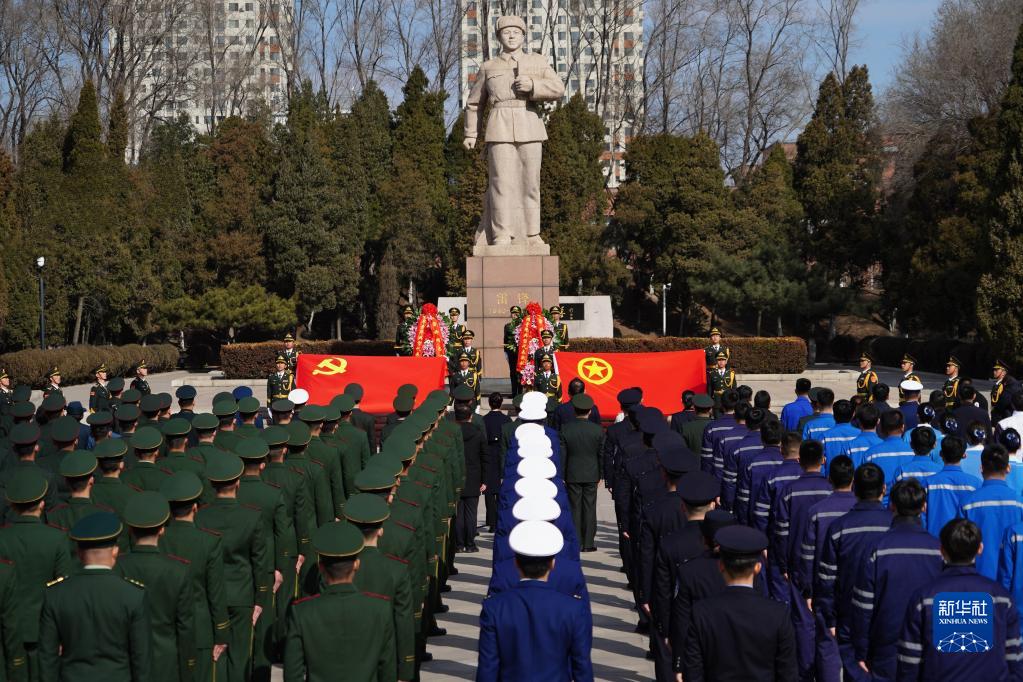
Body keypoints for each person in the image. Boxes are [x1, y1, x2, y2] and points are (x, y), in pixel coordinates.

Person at [462, 15, 566, 247]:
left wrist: (534, 86)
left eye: (516, 32)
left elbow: (559, 88)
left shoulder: (537, 62)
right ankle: (501, 234)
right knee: (501, 183)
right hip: (499, 126)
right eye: (506, 32)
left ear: (523, 35)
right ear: (499, 36)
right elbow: (474, 103)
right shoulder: (489, 67)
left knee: (531, 183)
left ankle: (532, 234)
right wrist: (471, 133)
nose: (511, 35)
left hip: (530, 124)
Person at [898, 518, 1022, 680]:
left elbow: (909, 662)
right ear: (980, 548)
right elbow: (1014, 659)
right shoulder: (1001, 598)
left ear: (942, 550)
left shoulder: (925, 598)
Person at [39, 512, 150, 681]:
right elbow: (141, 660)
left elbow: (47, 658)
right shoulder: (133, 595)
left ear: (79, 552)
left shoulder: (55, 594)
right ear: (115, 551)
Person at [476, 520, 593, 681]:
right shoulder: (572, 609)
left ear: (516, 563)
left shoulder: (494, 608)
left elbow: (487, 669)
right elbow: (582, 667)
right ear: (552, 563)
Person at [850, 478, 943, 680]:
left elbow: (863, 605)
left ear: (892, 505)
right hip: (928, 645)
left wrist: (861, 647)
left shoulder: (877, 548)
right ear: (924, 507)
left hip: (885, 644)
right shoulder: (938, 550)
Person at [284, 521, 396, 681]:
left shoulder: (302, 612)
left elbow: (292, 674)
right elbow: (387, 671)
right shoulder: (380, 609)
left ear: (321, 567)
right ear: (356, 564)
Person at [683, 525, 797, 681]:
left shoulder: (702, 612)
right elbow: (788, 674)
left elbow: (693, 673)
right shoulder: (778, 614)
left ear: (721, 566)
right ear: (757, 568)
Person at [196, 453, 272, 682]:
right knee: (240, 657)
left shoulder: (201, 517)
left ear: (212, 484)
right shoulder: (251, 517)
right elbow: (260, 562)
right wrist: (260, 599)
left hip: (209, 596)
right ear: (237, 483)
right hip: (242, 594)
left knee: (215, 656)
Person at [815, 462, 890, 680]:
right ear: (883, 489)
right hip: (886, 617)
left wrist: (830, 620)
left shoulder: (839, 528)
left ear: (854, 488)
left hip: (848, 616)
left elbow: (826, 579)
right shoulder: (893, 526)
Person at [117, 492, 196, 682]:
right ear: (162, 530)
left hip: (126, 661)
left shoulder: (117, 567)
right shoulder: (178, 570)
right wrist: (189, 668)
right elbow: (185, 627)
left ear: (129, 530)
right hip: (166, 662)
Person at [160, 472, 231, 682]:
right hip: (199, 630)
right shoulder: (208, 542)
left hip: (164, 631)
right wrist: (221, 632)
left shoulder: (158, 540)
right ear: (195, 507)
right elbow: (215, 591)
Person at [344, 494, 415, 682]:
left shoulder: (337, 570)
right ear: (381, 531)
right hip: (386, 660)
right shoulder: (397, 570)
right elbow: (403, 621)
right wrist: (406, 669)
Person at [959, 443, 1023, 579]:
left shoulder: (968, 503)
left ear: (981, 468)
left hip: (977, 577)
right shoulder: (1019, 502)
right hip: (1013, 579)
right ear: (1008, 468)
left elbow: (960, 544)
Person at [559, 394, 604, 552]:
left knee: (574, 507)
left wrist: (562, 475)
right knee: (590, 507)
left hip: (572, 473)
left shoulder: (566, 429)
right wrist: (601, 474)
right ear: (590, 411)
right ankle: (588, 542)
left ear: (574, 410)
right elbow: (601, 454)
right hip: (592, 473)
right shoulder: (598, 430)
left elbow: (562, 455)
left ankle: (576, 541)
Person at [922, 435, 980, 536]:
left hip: (934, 542)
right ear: (964, 455)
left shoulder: (928, 483)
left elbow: (922, 516)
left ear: (941, 454)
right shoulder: (975, 484)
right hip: (964, 543)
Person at [454, 402, 486, 553]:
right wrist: (484, 480)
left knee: (459, 513)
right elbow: (484, 457)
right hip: (474, 476)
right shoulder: (478, 434)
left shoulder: (452, 434)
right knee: (471, 513)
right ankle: (470, 544)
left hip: (457, 476)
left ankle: (459, 544)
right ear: (471, 417)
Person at [482, 394, 510, 533]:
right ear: (501, 403)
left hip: (489, 455)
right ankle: (499, 520)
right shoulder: (506, 419)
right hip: (502, 453)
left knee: (489, 490)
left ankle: (491, 522)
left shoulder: (484, 419)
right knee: (500, 489)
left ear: (489, 403)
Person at [992, 358, 1021, 423]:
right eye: (994, 370)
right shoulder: (999, 383)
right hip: (999, 418)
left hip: (1007, 418)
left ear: (1004, 372)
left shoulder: (1010, 382)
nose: (994, 371)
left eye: (997, 370)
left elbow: (1004, 401)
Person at [504, 306, 522, 396]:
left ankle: (521, 392)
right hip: (511, 353)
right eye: (513, 313)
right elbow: (505, 340)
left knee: (521, 373)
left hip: (521, 353)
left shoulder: (523, 325)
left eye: (517, 313)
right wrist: (505, 352)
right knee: (513, 373)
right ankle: (514, 393)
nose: (515, 315)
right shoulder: (507, 326)